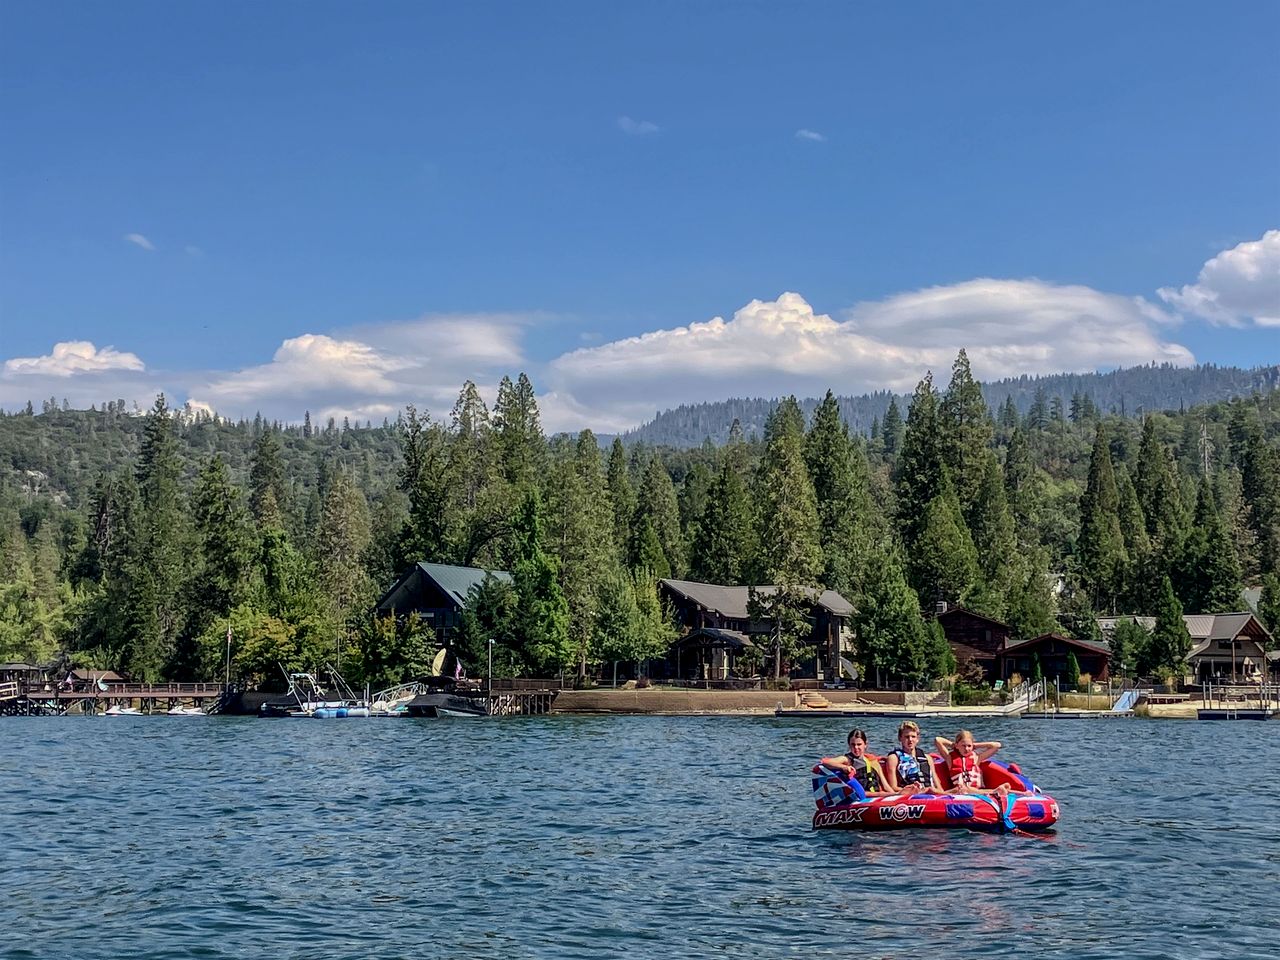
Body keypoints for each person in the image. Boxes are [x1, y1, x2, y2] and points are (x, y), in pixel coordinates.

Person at [934, 729, 1010, 798]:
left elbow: (996, 745)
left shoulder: (976, 758)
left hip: (975, 790)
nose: (966, 749)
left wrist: (975, 746)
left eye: (969, 746)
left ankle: (993, 792)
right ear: (957, 745)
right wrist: (952, 745)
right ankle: (994, 792)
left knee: (966, 789)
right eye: (963, 746)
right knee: (961, 789)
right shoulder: (950, 759)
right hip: (958, 791)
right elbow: (938, 740)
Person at [819, 728, 893, 797]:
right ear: (849, 745)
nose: (856, 748)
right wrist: (844, 767)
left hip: (878, 797)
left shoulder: (873, 761)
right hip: (862, 797)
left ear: (865, 744)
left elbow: (886, 787)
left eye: (859, 744)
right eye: (853, 744)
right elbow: (826, 762)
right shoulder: (847, 759)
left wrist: (896, 795)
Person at [884, 720, 944, 794]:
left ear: (917, 739)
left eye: (913, 736)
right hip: (909, 796)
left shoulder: (928, 758)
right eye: (907, 737)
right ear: (900, 738)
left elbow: (939, 788)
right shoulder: (894, 758)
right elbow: (893, 787)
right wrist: (917, 791)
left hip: (931, 794)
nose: (910, 740)